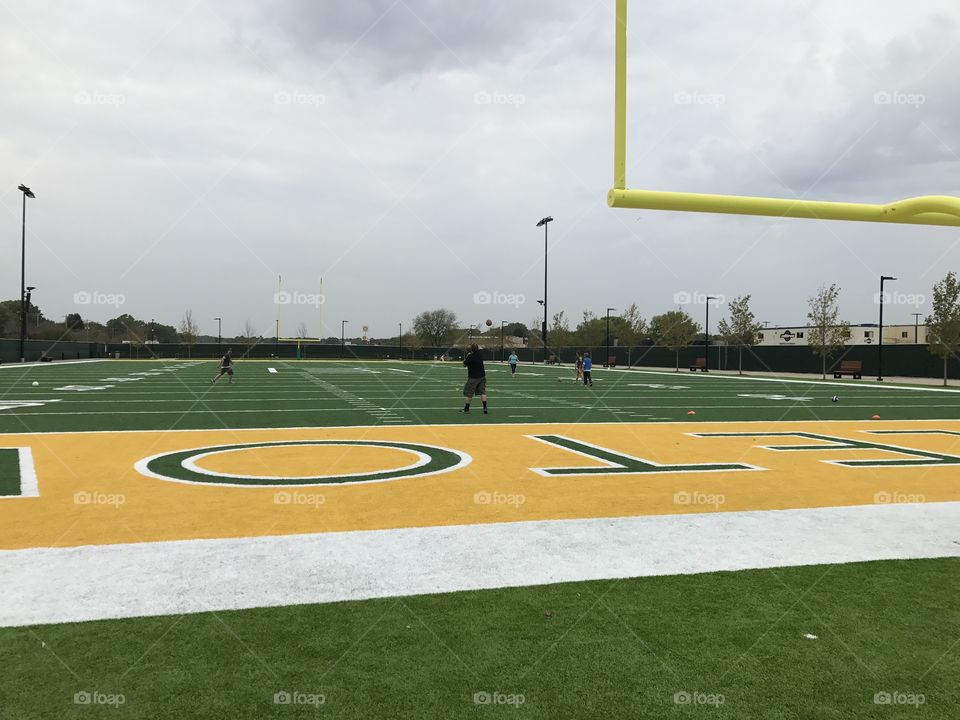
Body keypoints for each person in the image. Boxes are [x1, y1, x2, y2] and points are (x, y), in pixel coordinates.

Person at [460, 343, 488, 414]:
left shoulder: (470, 356)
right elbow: (481, 347)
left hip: (473, 378)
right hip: (482, 376)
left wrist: (468, 356)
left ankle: (466, 409)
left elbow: (464, 365)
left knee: (469, 393)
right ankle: (485, 408)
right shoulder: (480, 353)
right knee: (482, 392)